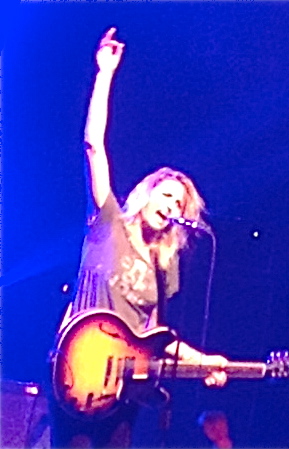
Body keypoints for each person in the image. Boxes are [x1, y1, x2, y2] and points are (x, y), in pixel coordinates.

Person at [50, 27, 228, 448]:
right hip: (78, 368)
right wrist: (105, 74)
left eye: (180, 204)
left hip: (123, 389)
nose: (172, 206)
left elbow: (154, 337)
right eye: (167, 195)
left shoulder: (165, 266)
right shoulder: (108, 221)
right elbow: (94, 145)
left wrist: (205, 362)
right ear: (148, 194)